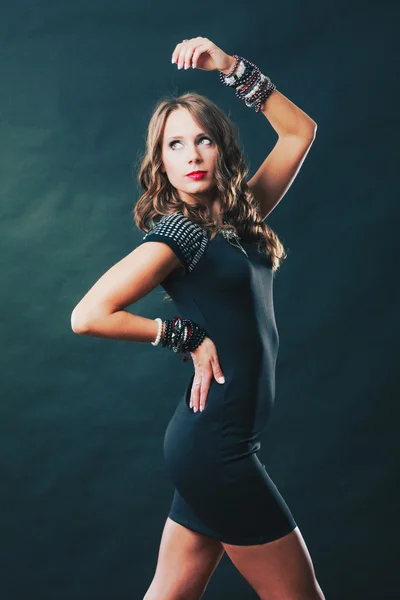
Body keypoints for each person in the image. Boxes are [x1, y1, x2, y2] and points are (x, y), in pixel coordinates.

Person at [71, 37, 325, 600]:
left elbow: (298, 133)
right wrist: (180, 334)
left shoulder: (242, 216)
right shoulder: (178, 234)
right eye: (175, 145)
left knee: (170, 593)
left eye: (203, 140)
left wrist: (230, 67)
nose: (191, 155)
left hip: (216, 446)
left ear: (220, 149)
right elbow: (88, 315)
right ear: (160, 161)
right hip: (218, 449)